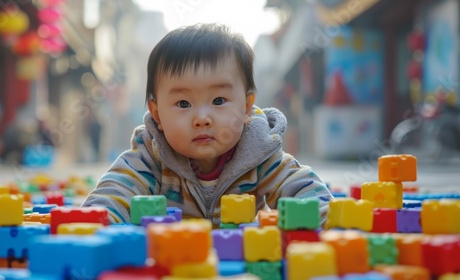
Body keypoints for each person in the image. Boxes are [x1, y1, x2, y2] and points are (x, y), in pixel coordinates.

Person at [82, 23, 333, 227]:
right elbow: (117, 189)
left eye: (218, 100)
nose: (202, 118)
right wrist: (95, 223)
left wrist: (332, 223)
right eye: (183, 103)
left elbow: (301, 188)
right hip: (174, 262)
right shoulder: (151, 154)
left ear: (246, 108)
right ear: (157, 114)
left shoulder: (258, 152)